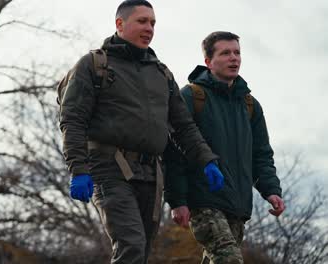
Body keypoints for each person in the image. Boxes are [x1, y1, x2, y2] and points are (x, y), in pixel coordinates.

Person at [57, 1, 226, 263]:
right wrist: (78, 169)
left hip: (151, 174)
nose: (149, 28)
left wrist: (207, 160)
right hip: (109, 168)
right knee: (131, 245)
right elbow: (73, 119)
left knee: (142, 251)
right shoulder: (94, 65)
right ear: (120, 24)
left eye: (153, 23)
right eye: (142, 21)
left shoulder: (161, 73)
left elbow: (183, 126)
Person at [164, 31, 285, 264]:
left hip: (238, 205)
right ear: (208, 61)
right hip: (203, 201)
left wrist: (271, 190)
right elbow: (173, 151)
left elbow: (261, 155)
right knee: (229, 259)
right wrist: (177, 199)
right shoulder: (191, 96)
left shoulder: (250, 105)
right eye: (226, 53)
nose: (234, 58)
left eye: (237, 52)